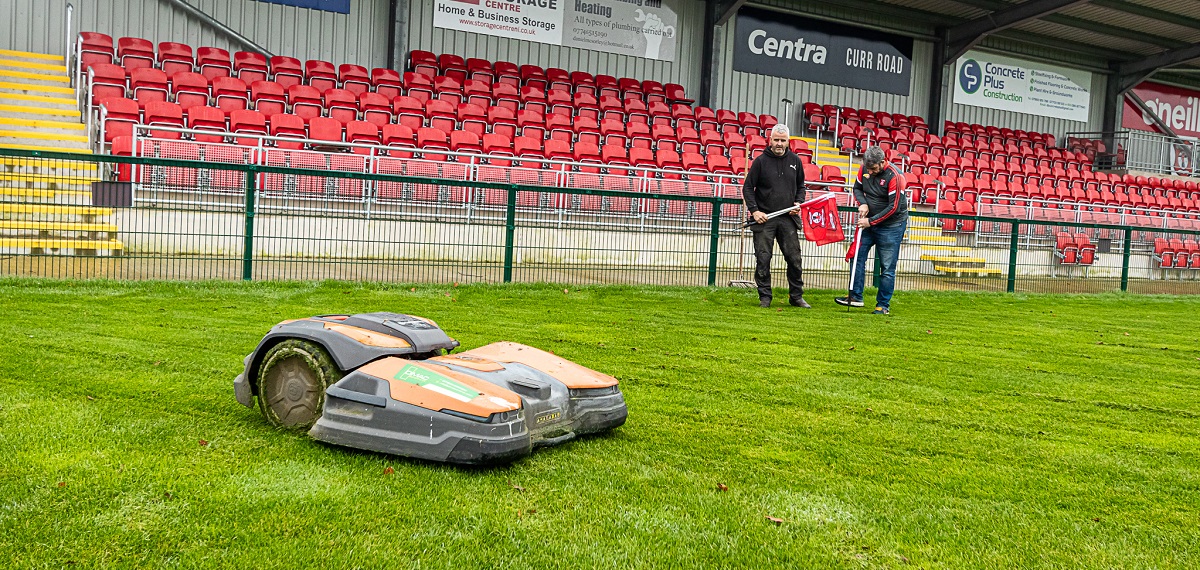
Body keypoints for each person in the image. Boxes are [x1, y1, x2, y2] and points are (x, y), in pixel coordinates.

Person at [742, 123, 809, 309]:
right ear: (770, 140)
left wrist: (798, 202)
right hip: (764, 219)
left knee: (794, 259)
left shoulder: (796, 161)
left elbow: (801, 186)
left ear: (788, 141)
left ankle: (796, 296)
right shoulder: (760, 161)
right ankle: (765, 297)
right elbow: (748, 188)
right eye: (776, 140)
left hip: (788, 218)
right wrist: (755, 211)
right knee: (763, 258)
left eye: (783, 140)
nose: (779, 143)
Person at [836, 146, 909, 314]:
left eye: (874, 168)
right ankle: (855, 296)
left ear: (883, 162)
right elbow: (857, 189)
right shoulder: (864, 169)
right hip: (869, 222)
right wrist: (862, 203)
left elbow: (894, 208)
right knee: (856, 255)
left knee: (887, 267)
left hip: (892, 226)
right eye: (868, 168)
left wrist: (871, 221)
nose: (870, 172)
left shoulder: (896, 177)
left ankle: (883, 305)